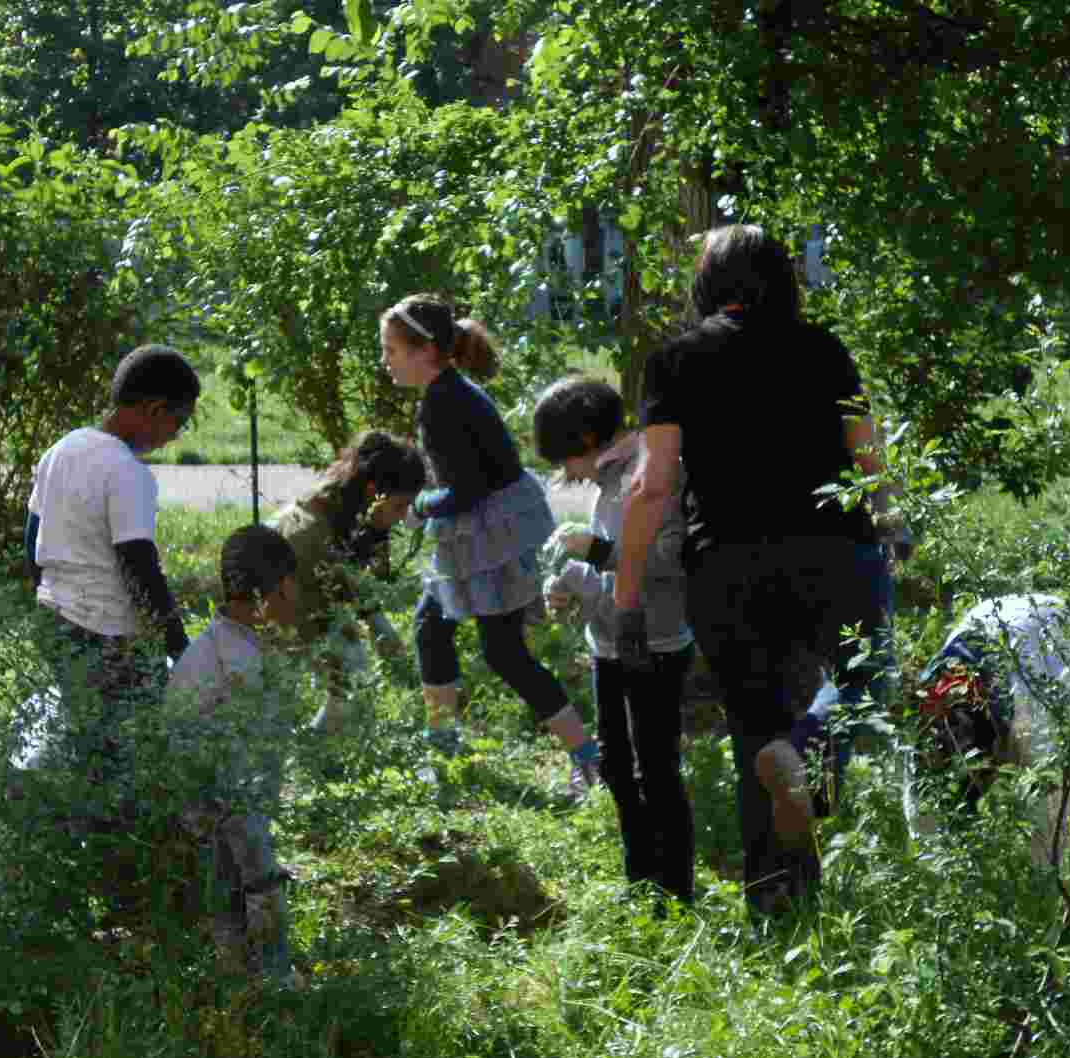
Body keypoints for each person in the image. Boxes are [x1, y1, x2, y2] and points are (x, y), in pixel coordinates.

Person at [612, 225, 908, 915]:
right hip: (835, 555)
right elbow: (869, 457)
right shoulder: (825, 350)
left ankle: (775, 902)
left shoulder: (675, 359)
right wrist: (895, 528)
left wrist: (626, 596)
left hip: (728, 568)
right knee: (865, 686)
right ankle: (809, 759)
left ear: (711, 280)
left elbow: (654, 485)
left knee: (757, 729)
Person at [380, 293, 600, 790]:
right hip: (490, 522)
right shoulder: (447, 391)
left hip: (493, 529)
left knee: (502, 651)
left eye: (391, 350)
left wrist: (418, 508)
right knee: (433, 628)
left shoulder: (443, 403)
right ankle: (444, 751)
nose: (385, 361)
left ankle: (588, 760)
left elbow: (468, 489)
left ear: (424, 351)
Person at [534, 376, 697, 903]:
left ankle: (675, 893)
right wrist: (568, 586)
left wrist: (599, 552)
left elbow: (672, 562)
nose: (566, 474)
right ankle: (640, 884)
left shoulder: (652, 472)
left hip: (655, 642)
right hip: (607, 644)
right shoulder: (608, 485)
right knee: (618, 771)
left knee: (657, 771)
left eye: (564, 459)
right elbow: (605, 572)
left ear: (584, 439)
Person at [24, 345, 199, 778]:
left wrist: (49, 595)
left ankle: (65, 813)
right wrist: (179, 647)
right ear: (155, 410)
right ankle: (115, 830)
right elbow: (139, 566)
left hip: (54, 618)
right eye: (179, 422)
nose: (175, 435)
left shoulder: (63, 449)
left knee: (86, 734)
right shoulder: (128, 473)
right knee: (134, 746)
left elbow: (32, 537)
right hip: (107, 636)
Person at [166, 524, 302, 979]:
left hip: (200, 788)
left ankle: (235, 973)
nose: (296, 597)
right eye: (291, 587)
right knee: (259, 877)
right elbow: (249, 741)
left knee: (223, 881)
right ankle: (277, 976)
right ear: (273, 592)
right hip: (223, 790)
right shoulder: (238, 657)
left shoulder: (222, 641)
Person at [903, 593, 1070, 868]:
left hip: (1052, 630)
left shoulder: (1035, 716)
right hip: (989, 623)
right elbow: (923, 828)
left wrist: (1046, 881)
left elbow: (1056, 815)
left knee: (1066, 792)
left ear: (996, 751)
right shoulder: (927, 727)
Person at [273, 431, 426, 734]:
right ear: (373, 492)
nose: (403, 517)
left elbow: (354, 583)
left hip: (303, 591)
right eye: (400, 506)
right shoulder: (316, 531)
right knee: (350, 667)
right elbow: (331, 598)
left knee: (347, 664)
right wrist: (375, 626)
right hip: (283, 598)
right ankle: (315, 745)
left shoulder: (348, 509)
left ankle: (317, 738)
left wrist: (377, 624)